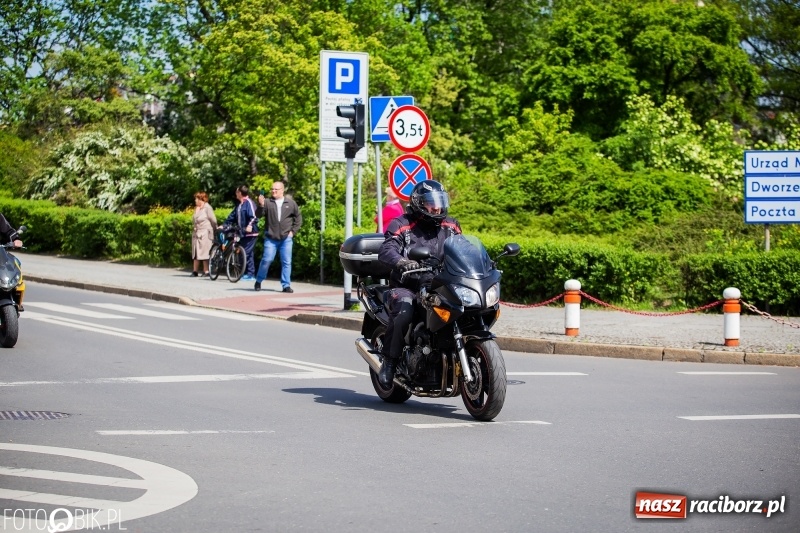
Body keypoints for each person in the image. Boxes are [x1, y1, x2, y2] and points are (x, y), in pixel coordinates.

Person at [377, 180, 461, 387]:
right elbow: (387, 250)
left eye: (440, 201)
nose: (437, 207)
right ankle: (389, 361)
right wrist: (402, 262)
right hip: (408, 285)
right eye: (431, 202)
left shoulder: (451, 225)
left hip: (440, 284)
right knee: (404, 309)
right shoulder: (402, 224)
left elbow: (462, 249)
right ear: (418, 203)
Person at [254, 181, 302, 293]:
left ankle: (286, 285)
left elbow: (298, 218)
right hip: (271, 238)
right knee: (267, 260)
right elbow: (258, 215)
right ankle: (259, 280)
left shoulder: (290, 203)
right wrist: (260, 205)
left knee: (286, 262)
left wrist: (293, 232)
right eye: (272, 189)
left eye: (276, 189)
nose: (273, 191)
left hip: (286, 239)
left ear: (282, 190)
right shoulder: (267, 202)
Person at [223, 185, 259, 280]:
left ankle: (248, 273)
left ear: (240, 193)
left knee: (245, 252)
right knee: (249, 254)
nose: (235, 193)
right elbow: (232, 217)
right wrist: (224, 225)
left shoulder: (249, 203)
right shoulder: (239, 205)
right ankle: (250, 274)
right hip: (242, 233)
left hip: (251, 233)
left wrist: (250, 225)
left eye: (236, 192)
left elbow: (255, 216)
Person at [191, 191, 217, 277]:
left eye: (196, 198)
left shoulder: (207, 208)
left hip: (205, 232)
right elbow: (194, 221)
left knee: (205, 252)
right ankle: (195, 271)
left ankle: (206, 271)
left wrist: (214, 229)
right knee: (196, 252)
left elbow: (213, 220)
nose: (195, 200)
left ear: (201, 199)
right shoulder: (197, 208)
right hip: (197, 233)